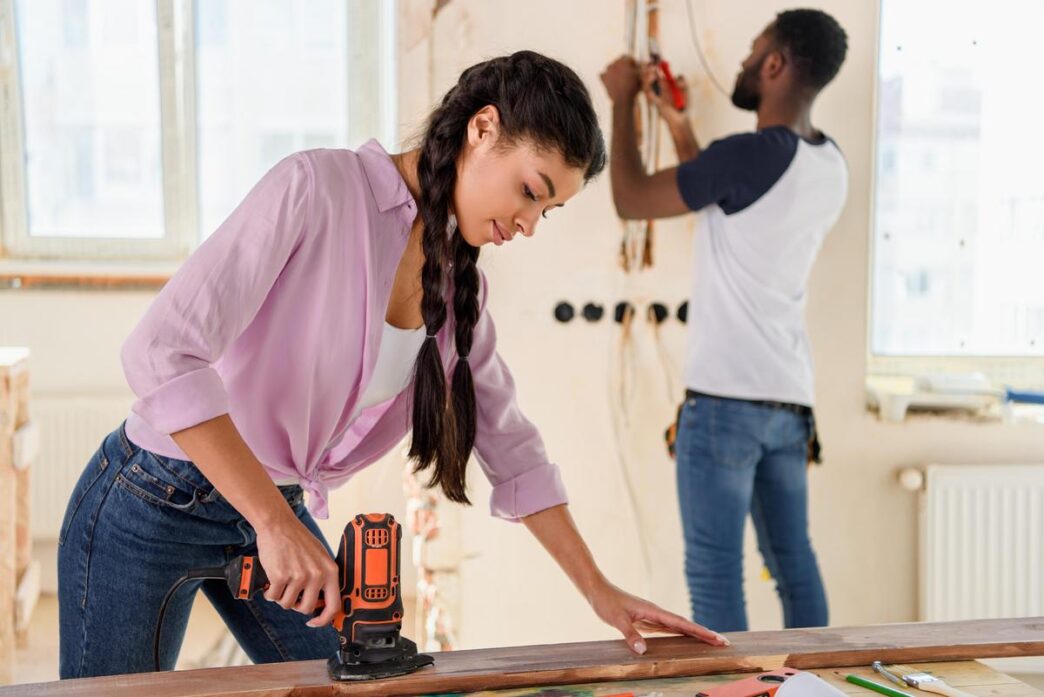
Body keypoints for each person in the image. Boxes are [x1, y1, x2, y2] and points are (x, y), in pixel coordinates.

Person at [58, 50, 728, 679]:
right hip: (151, 498)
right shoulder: (317, 188)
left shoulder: (461, 291)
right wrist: (273, 522)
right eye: (530, 190)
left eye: (546, 211)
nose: (528, 224)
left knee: (364, 683)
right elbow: (160, 351)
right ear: (482, 128)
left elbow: (514, 452)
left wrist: (602, 592)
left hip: (272, 509)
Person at [600, 10, 849, 632]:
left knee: (714, 573)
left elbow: (631, 198)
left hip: (723, 407)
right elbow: (727, 202)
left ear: (775, 65)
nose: (741, 61)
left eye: (753, 50)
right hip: (788, 404)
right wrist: (679, 126)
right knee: (794, 562)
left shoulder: (747, 156)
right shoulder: (829, 163)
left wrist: (624, 100)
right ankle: (816, 684)